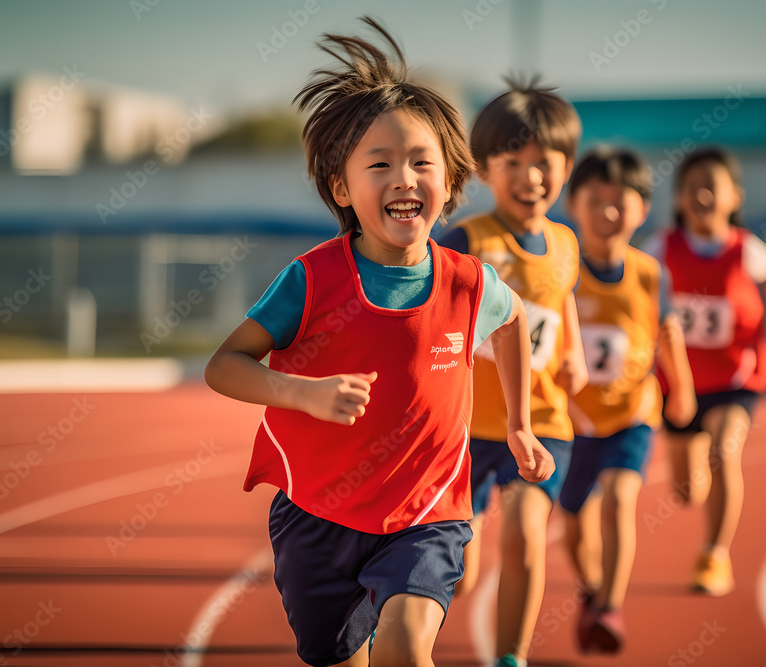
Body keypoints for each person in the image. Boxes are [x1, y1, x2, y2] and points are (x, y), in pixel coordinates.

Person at [203, 19, 554, 667]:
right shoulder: (311, 280)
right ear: (342, 188)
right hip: (318, 513)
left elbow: (509, 325)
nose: (405, 178)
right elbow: (224, 364)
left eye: (423, 162)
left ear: (449, 181)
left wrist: (521, 424)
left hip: (430, 511)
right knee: (339, 655)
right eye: (381, 164)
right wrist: (297, 391)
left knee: (403, 642)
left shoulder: (471, 283)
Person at [438, 77, 587, 667]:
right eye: (513, 162)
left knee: (527, 535)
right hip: (466, 428)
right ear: (482, 170)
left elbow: (561, 298)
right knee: (462, 568)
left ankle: (510, 656)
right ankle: (394, 632)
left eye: (544, 163)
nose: (531, 177)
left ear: (567, 167)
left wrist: (570, 350)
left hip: (542, 421)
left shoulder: (566, 243)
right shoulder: (466, 241)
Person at [642, 146, 766, 597]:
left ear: (735, 197)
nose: (701, 195)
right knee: (686, 491)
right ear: (678, 199)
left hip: (735, 378)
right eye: (691, 187)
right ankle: (701, 486)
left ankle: (714, 555)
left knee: (724, 451)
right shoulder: (660, 247)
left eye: (712, 186)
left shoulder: (745, 249)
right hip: (677, 383)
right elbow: (633, 283)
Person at [558, 147, 696, 654]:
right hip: (572, 422)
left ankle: (611, 606)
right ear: (574, 205)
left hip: (632, 415)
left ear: (643, 210)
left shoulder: (651, 273)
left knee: (619, 498)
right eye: (596, 200)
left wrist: (680, 388)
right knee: (573, 524)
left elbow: (666, 333)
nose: (609, 213)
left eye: (623, 202)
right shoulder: (562, 271)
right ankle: (593, 589)